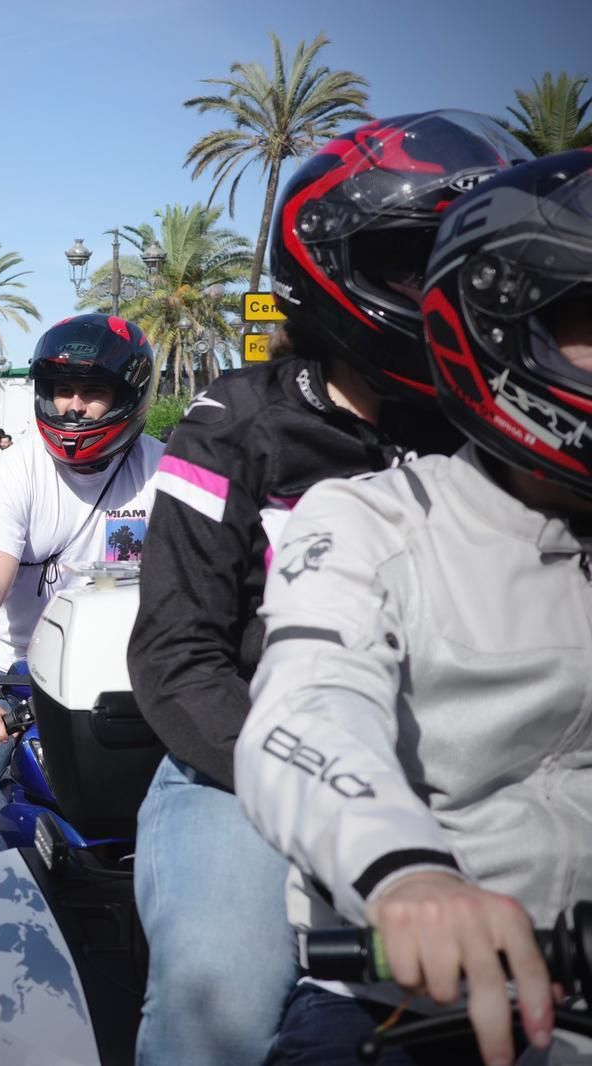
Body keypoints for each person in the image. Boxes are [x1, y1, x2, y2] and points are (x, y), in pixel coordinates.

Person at [127, 110, 530, 1066]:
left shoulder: (491, 427)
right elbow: (177, 654)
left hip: (447, 758)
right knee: (215, 1010)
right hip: (242, 767)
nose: (446, 287)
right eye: (412, 258)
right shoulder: (234, 424)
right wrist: (313, 784)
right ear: (331, 269)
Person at [234, 147, 592, 1066]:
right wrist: (408, 875)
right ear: (512, 323)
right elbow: (304, 703)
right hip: (407, 987)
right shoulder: (338, 496)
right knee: (212, 991)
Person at [0, 314, 164, 1062]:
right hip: (17, 680)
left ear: (130, 395)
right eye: (61, 389)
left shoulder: (168, 472)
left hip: (131, 690)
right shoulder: (15, 473)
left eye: (93, 391)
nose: (73, 406)